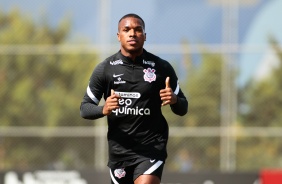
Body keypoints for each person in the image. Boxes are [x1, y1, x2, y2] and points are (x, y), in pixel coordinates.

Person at [80, 13, 188, 184]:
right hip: (120, 151)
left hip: (152, 147)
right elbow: (85, 108)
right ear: (119, 36)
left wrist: (174, 99)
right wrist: (103, 109)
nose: (132, 33)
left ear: (144, 36)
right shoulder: (105, 69)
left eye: (138, 30)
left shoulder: (161, 68)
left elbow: (183, 108)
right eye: (127, 29)